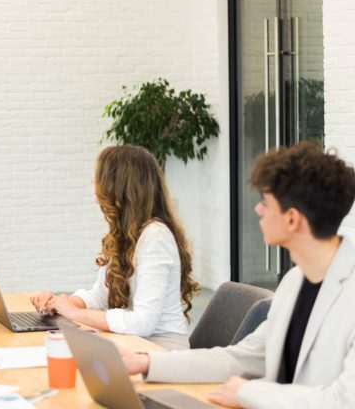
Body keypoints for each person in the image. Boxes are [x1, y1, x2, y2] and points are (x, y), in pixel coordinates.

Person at [121, 142, 355, 408]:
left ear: (292, 219)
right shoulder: (294, 283)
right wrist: (147, 361)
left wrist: (248, 393)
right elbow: (242, 358)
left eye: (265, 203)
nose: (258, 210)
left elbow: (345, 401)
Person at [31, 145, 199, 350]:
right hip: (131, 343)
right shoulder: (125, 232)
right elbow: (100, 296)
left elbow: (143, 322)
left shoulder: (156, 237)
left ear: (118, 185)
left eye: (98, 176)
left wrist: (74, 313)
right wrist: (60, 304)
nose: (93, 182)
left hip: (160, 349)